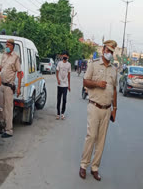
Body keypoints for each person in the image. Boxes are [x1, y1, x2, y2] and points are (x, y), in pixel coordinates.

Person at [79, 40, 118, 181]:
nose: (110, 54)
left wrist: (115, 109)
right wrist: (97, 84)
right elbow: (85, 81)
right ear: (103, 50)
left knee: (101, 140)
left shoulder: (114, 69)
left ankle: (95, 168)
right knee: (91, 136)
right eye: (108, 51)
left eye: (112, 52)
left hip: (107, 109)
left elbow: (114, 90)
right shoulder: (93, 65)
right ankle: (83, 165)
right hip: (94, 106)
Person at [0, 39, 22, 138]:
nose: (6, 46)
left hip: (9, 86)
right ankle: (1, 126)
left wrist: (19, 88)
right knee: (0, 107)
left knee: (8, 109)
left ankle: (8, 130)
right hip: (1, 85)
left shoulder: (16, 57)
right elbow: (0, 68)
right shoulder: (4, 55)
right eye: (6, 45)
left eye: (8, 45)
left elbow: (19, 73)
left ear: (12, 46)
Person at [56, 51, 71, 120]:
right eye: (63, 55)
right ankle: (58, 113)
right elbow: (56, 72)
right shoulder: (59, 63)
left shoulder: (69, 65)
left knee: (64, 99)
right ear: (62, 56)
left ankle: (62, 113)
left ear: (67, 57)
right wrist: (58, 79)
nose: (64, 57)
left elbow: (69, 75)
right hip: (59, 84)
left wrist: (69, 85)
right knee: (59, 99)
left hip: (65, 85)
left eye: (66, 56)